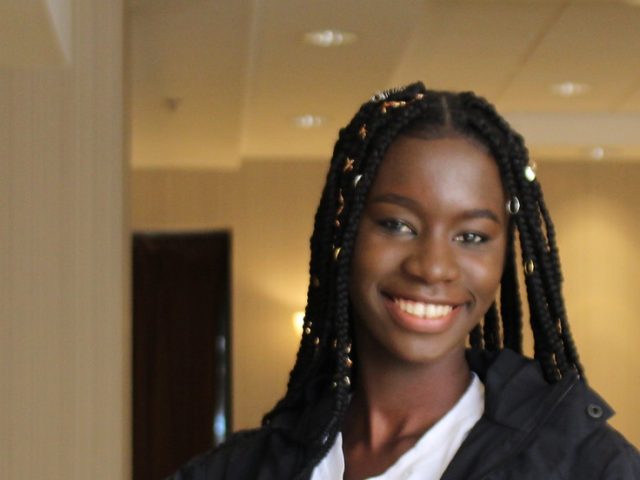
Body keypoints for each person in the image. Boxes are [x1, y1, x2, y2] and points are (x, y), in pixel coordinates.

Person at [170, 82, 640, 479]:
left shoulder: (587, 465)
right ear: (346, 233)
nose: (432, 267)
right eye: (397, 225)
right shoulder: (239, 470)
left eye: (472, 236)